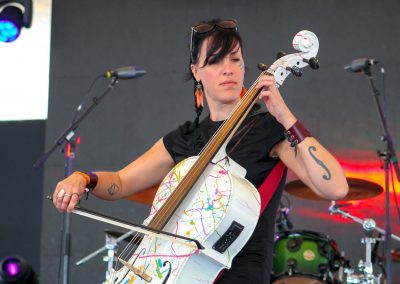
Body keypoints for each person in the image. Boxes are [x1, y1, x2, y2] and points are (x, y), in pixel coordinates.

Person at [52, 18, 348, 283]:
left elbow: (335, 186)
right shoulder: (185, 138)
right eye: (215, 62)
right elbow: (120, 182)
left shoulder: (267, 129)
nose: (228, 69)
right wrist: (82, 179)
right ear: (197, 71)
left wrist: (285, 116)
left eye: (235, 59)